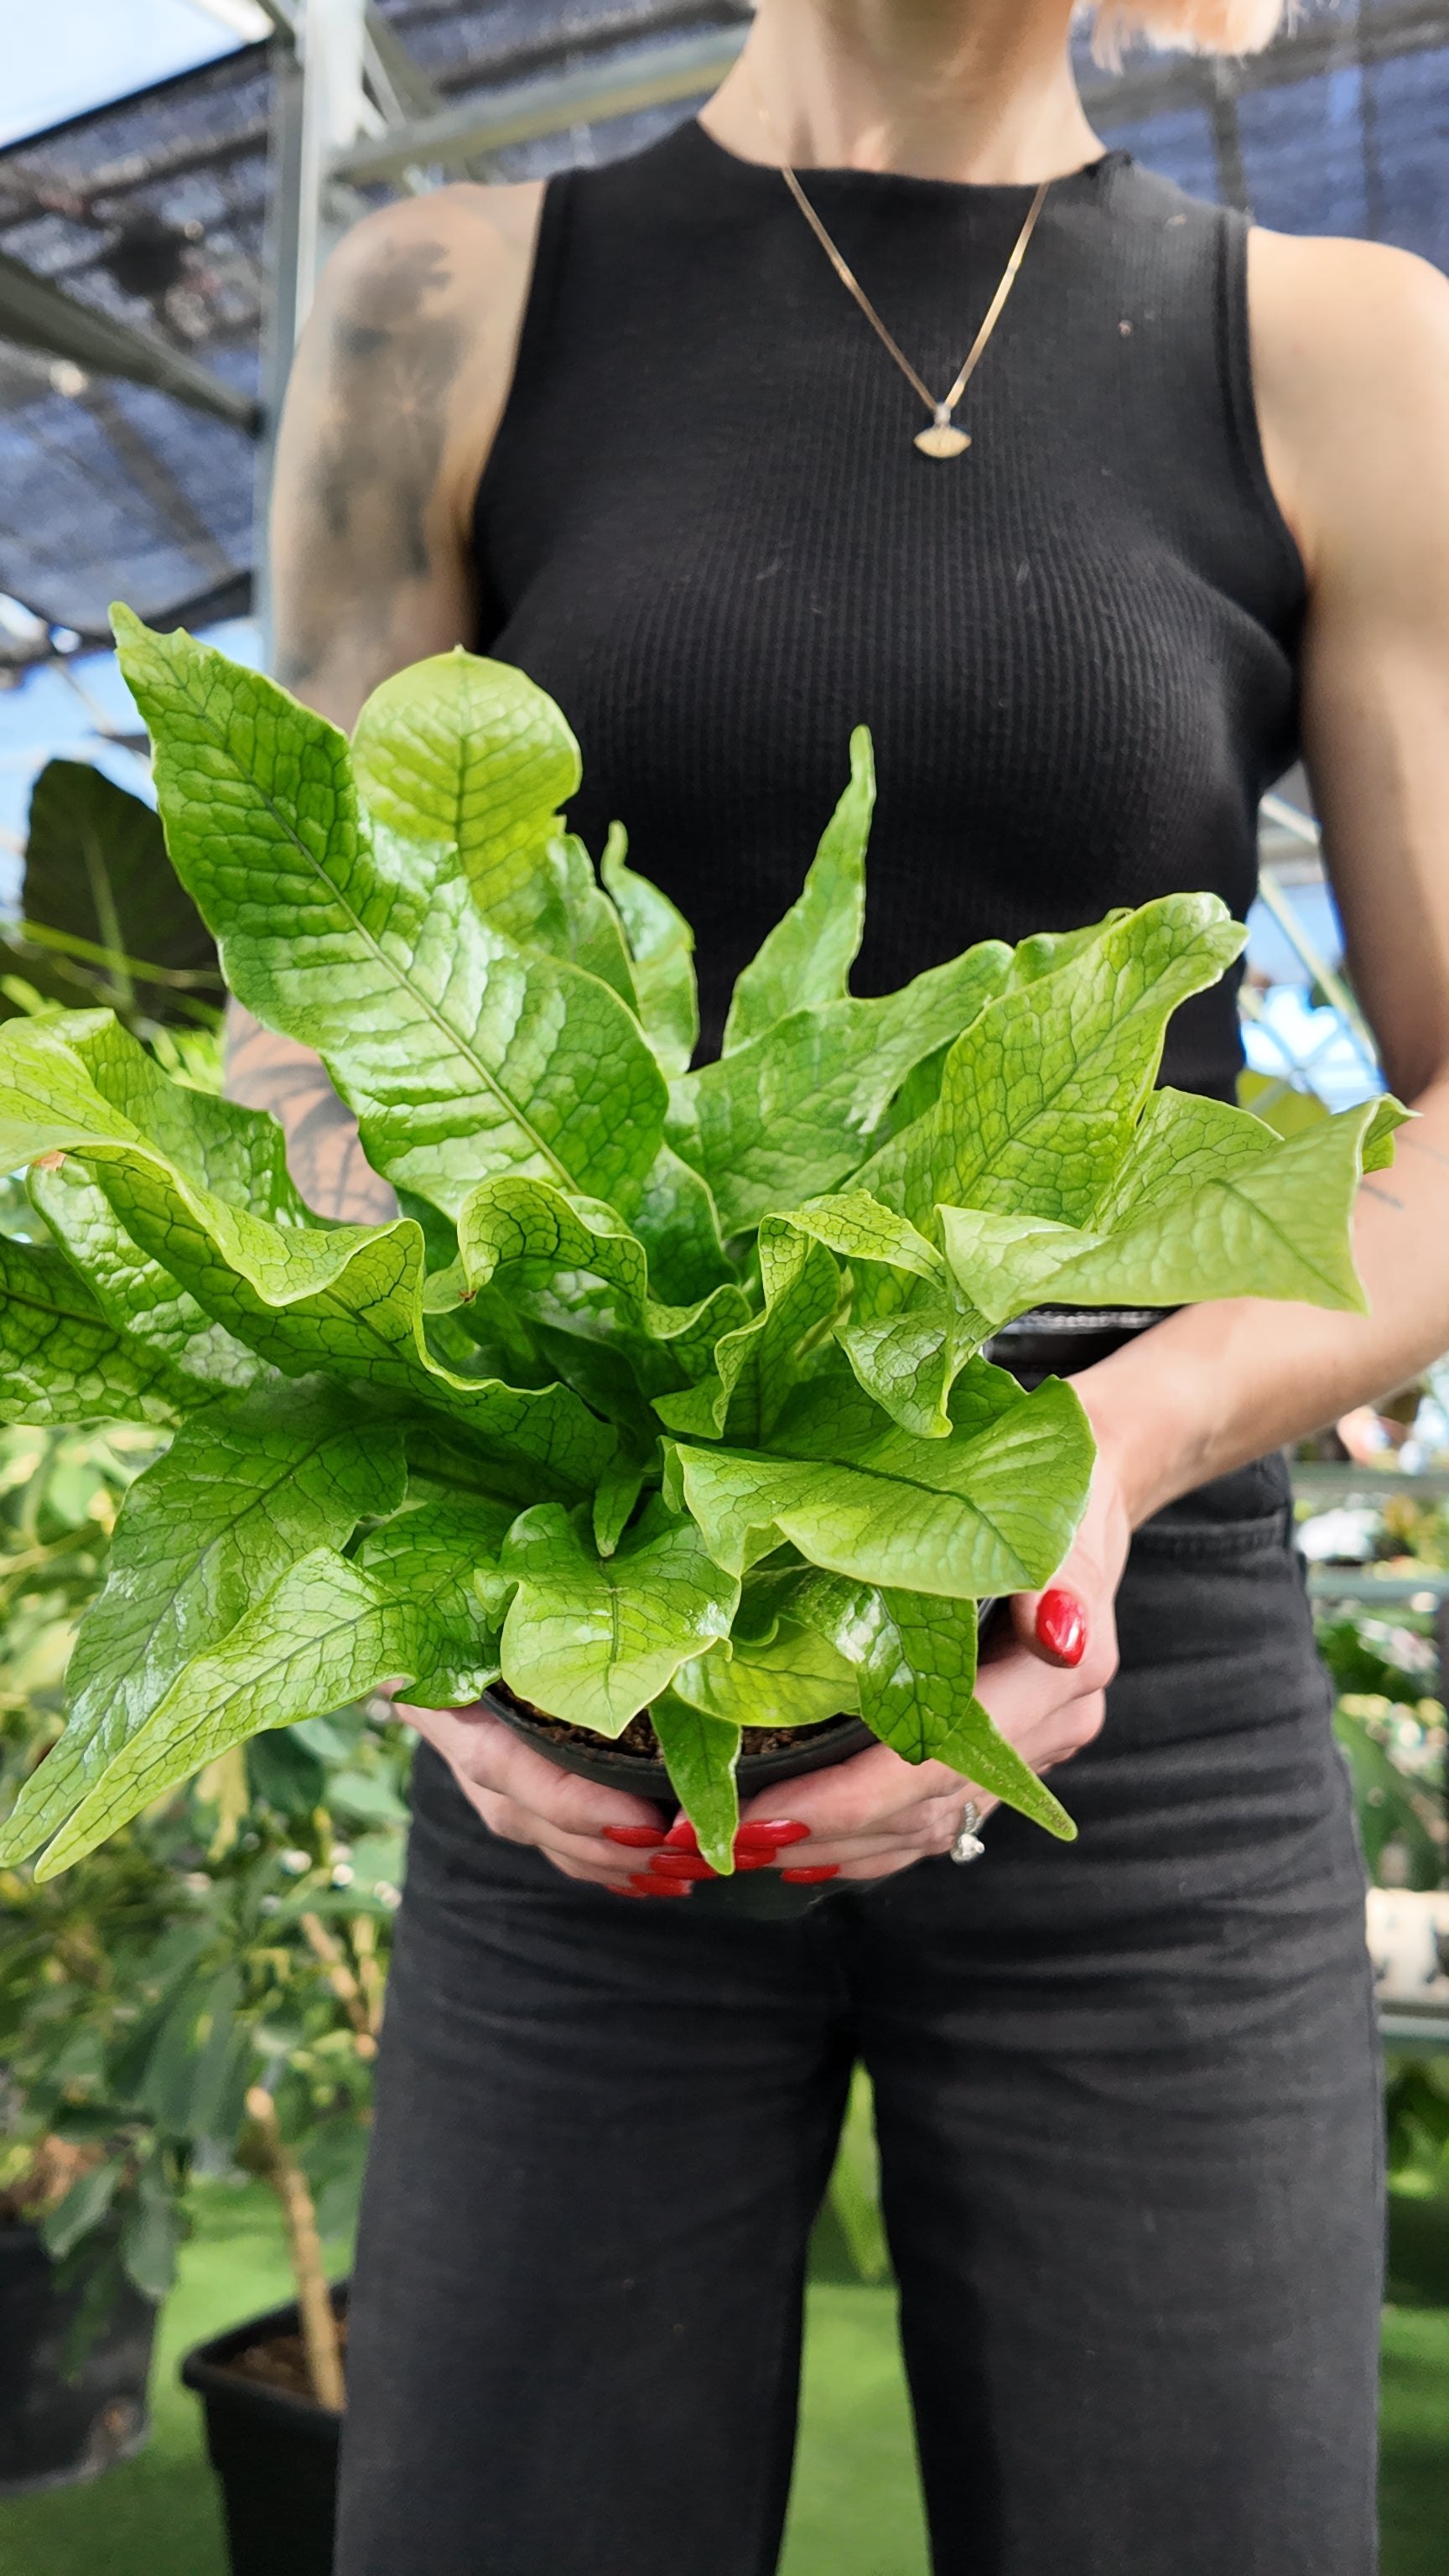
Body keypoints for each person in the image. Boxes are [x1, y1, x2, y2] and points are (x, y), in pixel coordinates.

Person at [236, 3, 1449, 2568]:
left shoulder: (1344, 348)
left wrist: (1100, 1460)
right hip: (584, 1676)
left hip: (1125, 1675)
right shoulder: (439, 308)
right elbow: (313, 1029)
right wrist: (425, 1560)